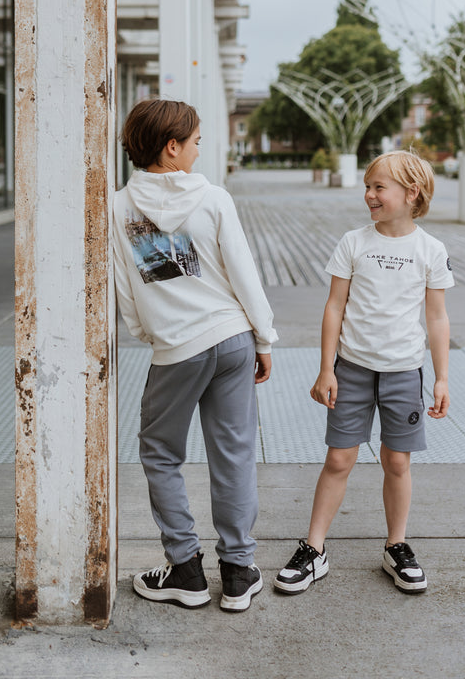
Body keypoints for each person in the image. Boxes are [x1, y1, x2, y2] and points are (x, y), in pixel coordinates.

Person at [113, 98, 278, 612]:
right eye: (197, 141)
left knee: (160, 453)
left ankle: (185, 569)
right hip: (231, 339)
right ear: (172, 146)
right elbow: (243, 273)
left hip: (176, 350)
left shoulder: (119, 207)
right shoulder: (214, 199)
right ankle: (237, 571)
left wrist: (151, 332)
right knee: (233, 453)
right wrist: (263, 337)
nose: (199, 149)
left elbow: (124, 286)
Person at [274, 150, 453, 596]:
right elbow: (334, 308)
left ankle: (397, 545)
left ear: (412, 194)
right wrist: (325, 369)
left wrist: (442, 377)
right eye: (368, 186)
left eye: (379, 187)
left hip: (403, 373)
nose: (369, 195)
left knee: (397, 461)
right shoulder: (354, 242)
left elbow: (437, 318)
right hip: (351, 370)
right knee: (339, 459)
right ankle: (314, 549)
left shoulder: (430, 250)